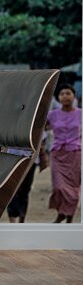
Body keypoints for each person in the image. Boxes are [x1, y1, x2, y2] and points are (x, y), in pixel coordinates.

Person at [46, 83, 81, 223]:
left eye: (68, 93)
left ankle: (68, 217)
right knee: (59, 188)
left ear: (74, 96)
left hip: (75, 154)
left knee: (73, 189)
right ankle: (62, 213)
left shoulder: (81, 114)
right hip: (57, 155)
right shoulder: (51, 114)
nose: (65, 96)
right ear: (58, 97)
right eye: (62, 94)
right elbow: (39, 128)